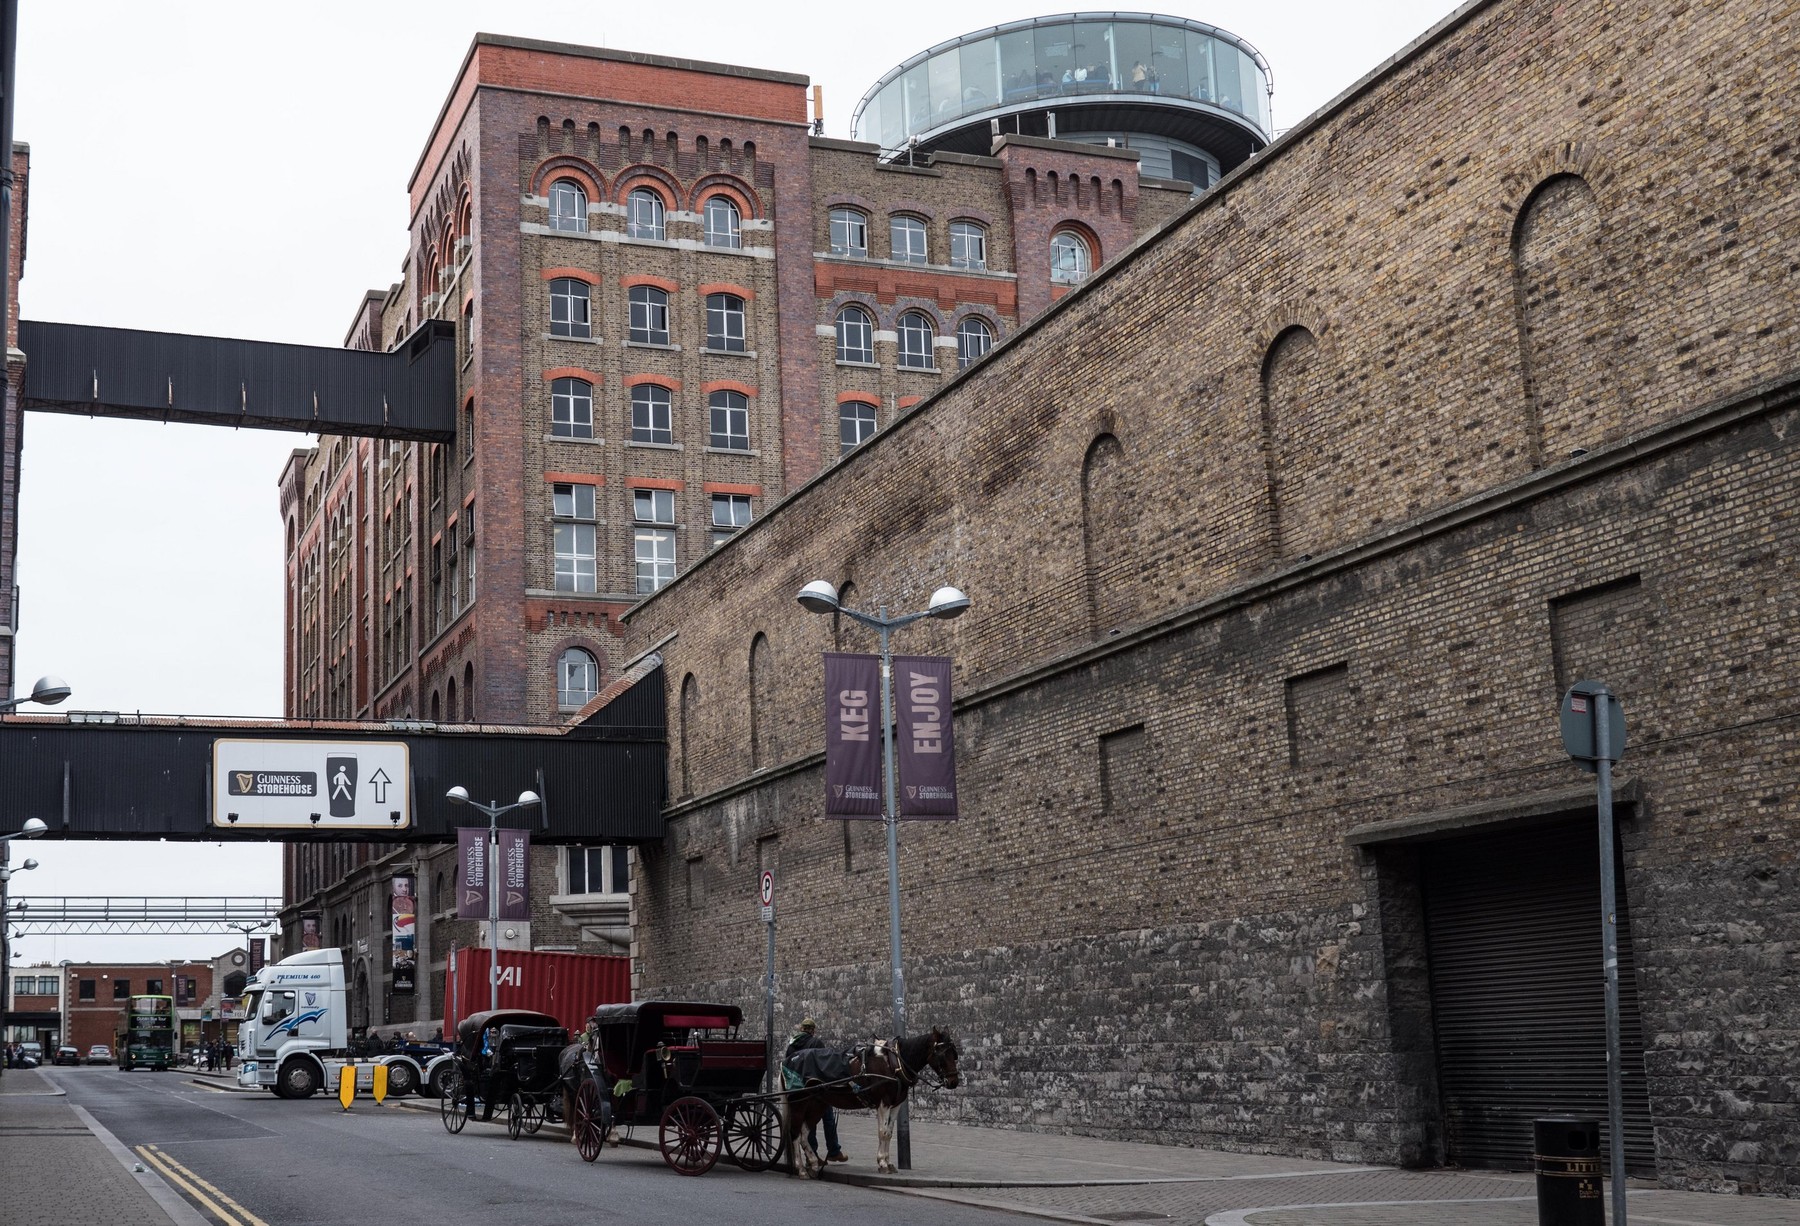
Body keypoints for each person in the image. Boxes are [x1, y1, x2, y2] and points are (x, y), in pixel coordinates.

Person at [785, 1018, 847, 1164]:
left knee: (807, 1123)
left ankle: (811, 1153)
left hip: (797, 1088)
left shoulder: (792, 1045)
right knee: (828, 1120)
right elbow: (824, 1064)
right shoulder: (816, 1042)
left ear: (801, 1029)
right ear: (812, 1030)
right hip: (816, 1088)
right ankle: (834, 1151)